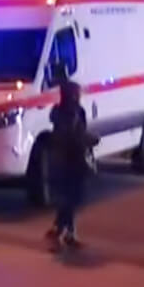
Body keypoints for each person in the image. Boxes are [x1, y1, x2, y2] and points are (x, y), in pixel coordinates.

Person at [46, 79, 99, 249]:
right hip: (69, 159)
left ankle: (66, 232)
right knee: (71, 199)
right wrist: (89, 140)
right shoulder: (66, 113)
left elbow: (78, 132)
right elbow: (73, 135)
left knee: (71, 199)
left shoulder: (69, 112)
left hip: (68, 158)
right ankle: (59, 231)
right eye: (76, 93)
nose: (79, 96)